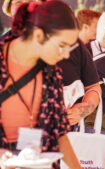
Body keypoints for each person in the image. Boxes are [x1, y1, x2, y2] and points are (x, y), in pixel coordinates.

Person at [0, 1, 81, 168]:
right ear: (38, 36)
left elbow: (59, 134)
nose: (65, 55)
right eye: (62, 46)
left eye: (70, 48)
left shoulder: (51, 73)